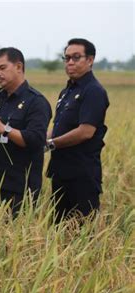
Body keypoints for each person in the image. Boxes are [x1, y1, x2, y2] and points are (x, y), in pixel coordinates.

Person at [0, 47, 51, 216]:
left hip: (19, 187)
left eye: (2, 68)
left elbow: (35, 141)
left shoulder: (36, 102)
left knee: (13, 238)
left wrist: (4, 129)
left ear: (19, 67)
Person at [46, 38, 109, 222]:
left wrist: (51, 144)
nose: (70, 62)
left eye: (76, 57)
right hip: (61, 172)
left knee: (82, 233)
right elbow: (57, 128)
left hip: (82, 175)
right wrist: (39, 138)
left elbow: (86, 131)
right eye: (66, 58)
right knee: (58, 231)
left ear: (90, 60)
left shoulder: (94, 91)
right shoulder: (67, 91)